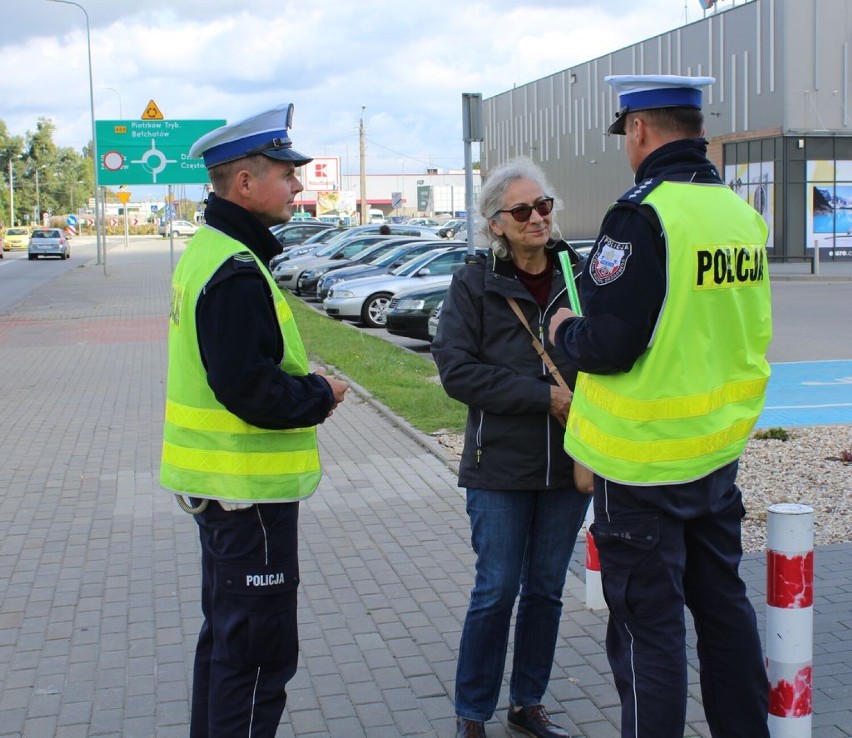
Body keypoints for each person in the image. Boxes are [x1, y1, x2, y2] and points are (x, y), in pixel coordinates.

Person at [548, 75, 772, 738]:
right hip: (714, 455)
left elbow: (610, 342)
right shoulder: (737, 213)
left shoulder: (641, 214)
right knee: (726, 613)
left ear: (639, 131)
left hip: (642, 465)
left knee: (649, 635)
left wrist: (562, 328)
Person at [160, 103, 349, 738]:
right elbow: (249, 387)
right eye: (287, 173)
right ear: (245, 183)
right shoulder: (235, 268)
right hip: (249, 497)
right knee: (257, 658)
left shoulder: (213, 251)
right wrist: (319, 394)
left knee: (226, 646)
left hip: (225, 493)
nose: (299, 184)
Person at [431, 157, 590, 738]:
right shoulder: (473, 281)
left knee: (546, 590)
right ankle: (472, 711)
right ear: (495, 223)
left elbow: (604, 351)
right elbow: (456, 372)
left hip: (570, 466)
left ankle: (528, 704)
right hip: (498, 466)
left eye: (543, 206)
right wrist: (541, 396)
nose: (536, 219)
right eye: (521, 211)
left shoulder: (578, 272)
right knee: (496, 590)